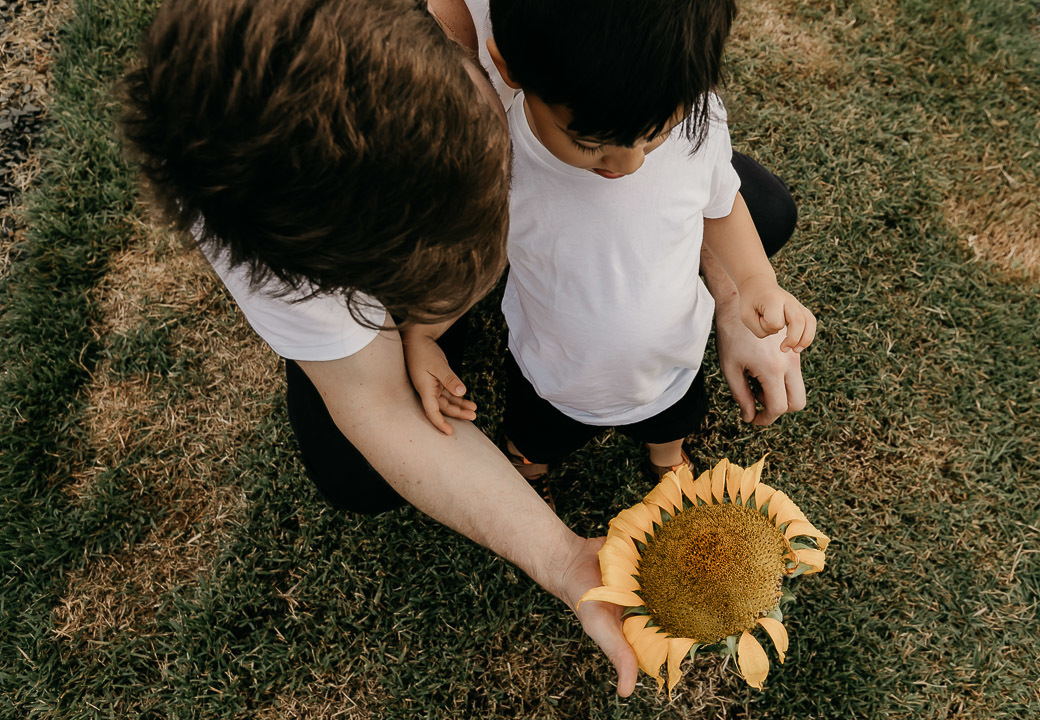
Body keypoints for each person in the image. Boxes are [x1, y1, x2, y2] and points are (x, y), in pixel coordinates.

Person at [122, 0, 806, 698]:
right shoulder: (252, 210)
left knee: (768, 211)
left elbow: (689, 150)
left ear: (485, 54)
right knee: (355, 473)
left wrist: (733, 295)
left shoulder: (609, 48)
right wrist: (560, 557)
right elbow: (374, 400)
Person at [407, 0, 815, 499]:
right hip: (553, 376)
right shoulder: (502, 159)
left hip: (671, 364)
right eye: (590, 142)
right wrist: (425, 334)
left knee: (671, 424)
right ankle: (528, 466)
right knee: (535, 438)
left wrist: (755, 282)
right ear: (510, 69)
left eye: (656, 133)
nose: (629, 163)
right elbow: (477, 260)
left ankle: (667, 457)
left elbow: (721, 204)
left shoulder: (698, 123)